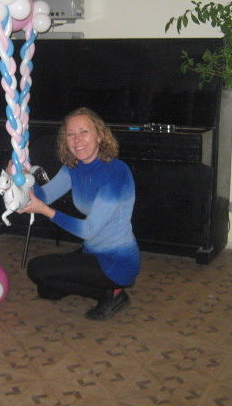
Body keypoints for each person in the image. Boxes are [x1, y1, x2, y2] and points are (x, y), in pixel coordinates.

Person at [18, 107, 140, 320]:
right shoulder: (73, 167)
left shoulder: (116, 173)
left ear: (99, 135)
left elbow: (88, 230)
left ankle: (113, 294)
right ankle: (98, 287)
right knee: (47, 290)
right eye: (70, 134)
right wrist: (24, 178)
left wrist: (45, 211)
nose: (77, 140)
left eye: (84, 132)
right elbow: (44, 195)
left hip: (116, 262)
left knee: (36, 269)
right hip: (91, 251)